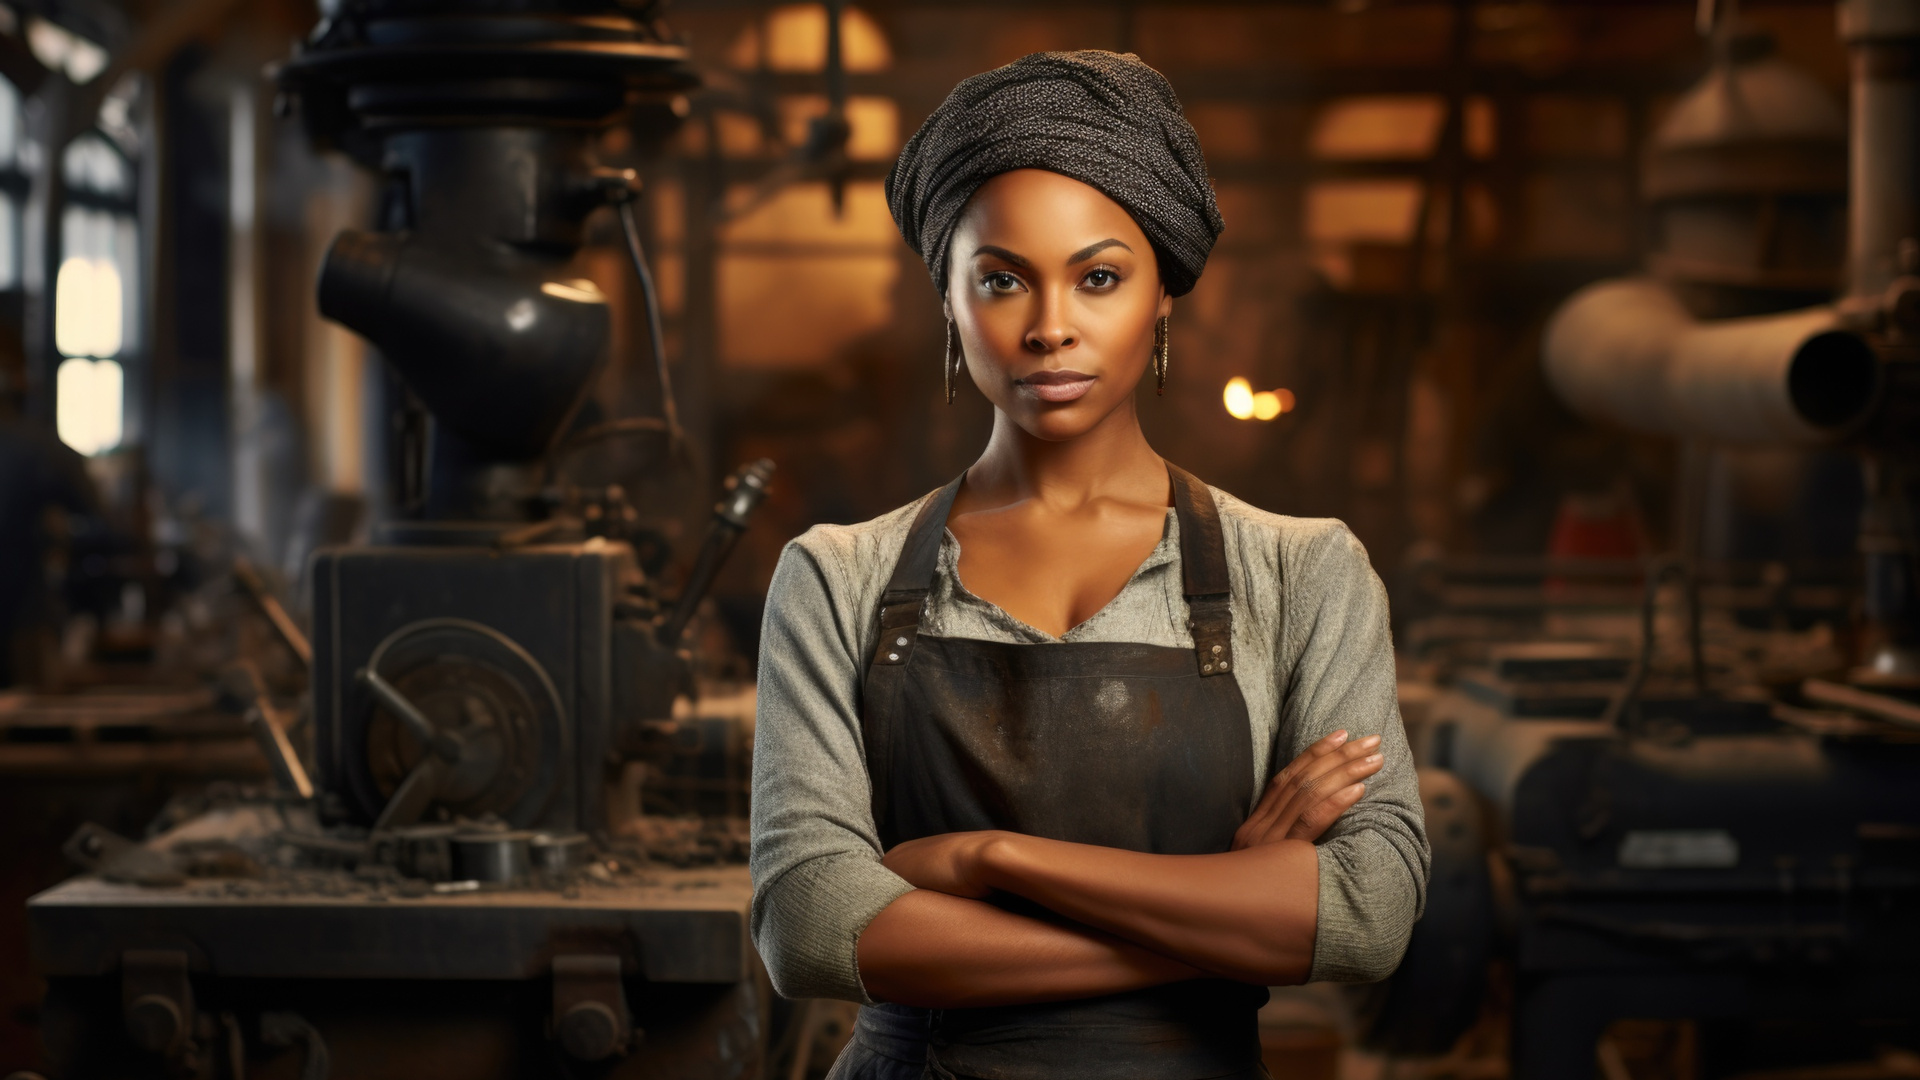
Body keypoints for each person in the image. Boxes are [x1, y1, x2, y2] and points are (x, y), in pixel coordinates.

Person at [750, 50, 1429, 1080]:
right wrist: (1220, 910)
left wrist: (989, 860)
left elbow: (1369, 917)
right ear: (948, 299)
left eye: (1099, 277)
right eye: (1001, 280)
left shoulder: (1301, 572)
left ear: (1162, 294)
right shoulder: (837, 576)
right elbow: (810, 927)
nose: (1050, 327)